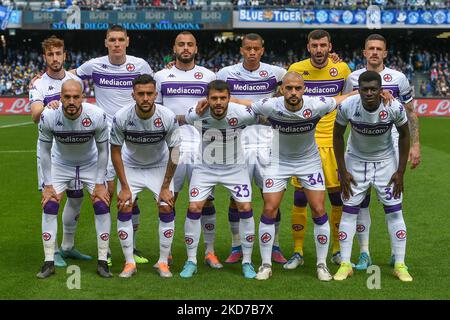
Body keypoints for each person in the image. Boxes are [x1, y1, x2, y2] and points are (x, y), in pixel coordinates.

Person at [237, 72, 356, 281]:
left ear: (304, 89)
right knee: (269, 208)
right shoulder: (270, 105)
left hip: (308, 162)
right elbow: (242, 102)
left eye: (297, 88)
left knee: (319, 208)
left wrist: (366, 92)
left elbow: (342, 98)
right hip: (278, 162)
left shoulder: (316, 104)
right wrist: (221, 98)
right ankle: (266, 264)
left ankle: (322, 264)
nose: (293, 92)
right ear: (282, 89)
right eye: (289, 88)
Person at [72, 25, 154, 265]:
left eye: (120, 39)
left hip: (133, 137)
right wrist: (44, 77)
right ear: (106, 42)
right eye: (112, 40)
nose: (116, 43)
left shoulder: (140, 65)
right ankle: (105, 251)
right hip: (106, 139)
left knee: (132, 195)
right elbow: (69, 76)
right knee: (106, 195)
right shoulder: (94, 65)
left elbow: (151, 87)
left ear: (127, 41)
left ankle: (133, 247)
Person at [343, 33, 420, 270]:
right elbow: (344, 104)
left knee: (393, 199)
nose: (375, 52)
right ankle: (364, 252)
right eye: (370, 49)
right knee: (361, 201)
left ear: (385, 53)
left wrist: (415, 144)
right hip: (359, 146)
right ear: (364, 53)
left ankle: (397, 255)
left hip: (392, 145)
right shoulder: (352, 78)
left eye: (379, 49)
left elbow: (409, 112)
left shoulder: (398, 78)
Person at [333, 70, 413, 282]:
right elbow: (337, 136)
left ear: (381, 90)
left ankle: (400, 264)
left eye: (373, 89)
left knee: (394, 212)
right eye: (364, 89)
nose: (369, 93)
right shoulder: (348, 106)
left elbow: (405, 135)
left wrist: (400, 171)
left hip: (386, 164)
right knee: (349, 212)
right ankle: (345, 264)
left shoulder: (393, 107)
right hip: (356, 162)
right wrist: (342, 170)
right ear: (358, 90)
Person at [216, 33, 288, 265]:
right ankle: (237, 246)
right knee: (236, 197)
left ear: (262, 49)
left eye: (256, 48)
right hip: (237, 143)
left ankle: (275, 245)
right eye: (248, 48)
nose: (252, 52)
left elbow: (296, 84)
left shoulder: (276, 73)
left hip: (269, 143)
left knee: (271, 197)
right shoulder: (226, 74)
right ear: (241, 50)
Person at [178, 80, 258, 279]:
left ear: (229, 99)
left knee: (246, 208)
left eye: (223, 98)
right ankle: (191, 261)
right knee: (195, 207)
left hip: (235, 168)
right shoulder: (196, 114)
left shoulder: (241, 114)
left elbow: (261, 110)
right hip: (205, 168)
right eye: (214, 98)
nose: (219, 102)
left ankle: (247, 261)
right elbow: (182, 119)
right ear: (207, 99)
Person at [153, 31, 221, 269]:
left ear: (196, 49)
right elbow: (156, 113)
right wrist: (183, 119)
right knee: (169, 198)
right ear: (174, 48)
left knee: (207, 201)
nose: (185, 48)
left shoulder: (208, 76)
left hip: (205, 146)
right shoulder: (160, 76)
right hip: (173, 146)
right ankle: (167, 252)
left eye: (189, 44)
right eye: (181, 44)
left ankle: (209, 252)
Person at [285, 30, 351, 269]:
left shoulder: (342, 70)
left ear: (329, 46)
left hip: (332, 143)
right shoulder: (296, 68)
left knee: (336, 197)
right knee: (301, 198)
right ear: (308, 46)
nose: (319, 49)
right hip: (303, 143)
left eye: (323, 45)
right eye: (315, 45)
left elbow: (353, 95)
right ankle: (298, 251)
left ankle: (336, 249)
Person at [36, 80, 111, 279]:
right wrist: (48, 185)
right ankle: (49, 261)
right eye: (67, 97)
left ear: (82, 98)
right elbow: (44, 151)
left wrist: (99, 183)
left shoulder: (96, 115)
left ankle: (103, 261)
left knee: (101, 204)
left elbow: (104, 151)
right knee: (50, 204)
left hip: (90, 164)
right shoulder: (49, 116)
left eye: (75, 97)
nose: (71, 101)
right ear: (60, 97)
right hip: (61, 164)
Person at [29, 35, 91, 267]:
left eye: (58, 54)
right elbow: (35, 116)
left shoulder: (75, 79)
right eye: (50, 54)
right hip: (51, 151)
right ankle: (52, 251)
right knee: (52, 200)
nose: (55, 58)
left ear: (65, 55)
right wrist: (48, 104)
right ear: (44, 57)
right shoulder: (38, 83)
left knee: (76, 198)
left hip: (75, 150)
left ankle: (68, 246)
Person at [110, 74, 180, 278]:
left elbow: (175, 151)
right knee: (124, 205)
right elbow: (115, 150)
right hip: (131, 166)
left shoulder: (167, 116)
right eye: (141, 94)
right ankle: (129, 262)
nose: (146, 98)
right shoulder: (122, 116)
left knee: (167, 206)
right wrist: (124, 186)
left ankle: (162, 262)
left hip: (159, 166)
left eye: (150, 93)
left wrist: (166, 186)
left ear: (156, 94)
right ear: (133, 95)